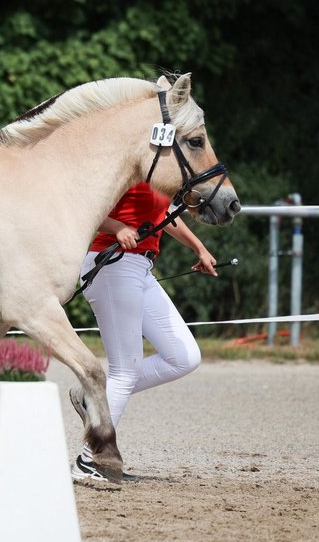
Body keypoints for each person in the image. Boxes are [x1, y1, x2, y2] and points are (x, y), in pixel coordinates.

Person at [70, 181, 218, 482]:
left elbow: (168, 216)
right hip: (113, 264)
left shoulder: (162, 175)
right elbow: (87, 207)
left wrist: (199, 248)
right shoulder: (129, 167)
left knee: (184, 357)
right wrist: (118, 227)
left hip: (141, 269)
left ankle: (94, 400)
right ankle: (88, 461)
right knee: (126, 371)